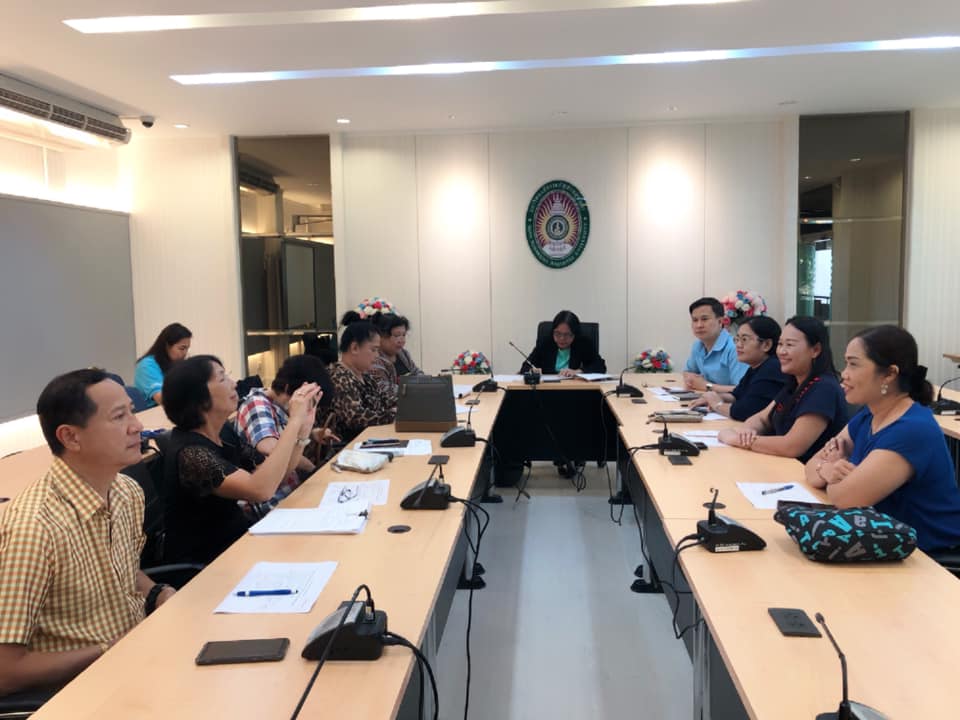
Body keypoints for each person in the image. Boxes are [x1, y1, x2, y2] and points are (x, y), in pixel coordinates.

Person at [0, 370, 175, 697]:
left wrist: (157, 593)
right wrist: (108, 649)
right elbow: (5, 672)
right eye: (119, 416)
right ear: (71, 438)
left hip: (139, 660)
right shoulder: (33, 530)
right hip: (83, 691)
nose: (137, 425)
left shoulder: (126, 491)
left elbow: (123, 570)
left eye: (132, 411)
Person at [805, 326, 960, 554]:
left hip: (929, 554)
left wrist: (829, 472)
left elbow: (845, 499)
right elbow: (811, 467)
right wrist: (827, 469)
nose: (844, 374)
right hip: (883, 541)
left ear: (889, 374)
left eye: (854, 364)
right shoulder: (869, 414)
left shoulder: (912, 429)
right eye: (846, 363)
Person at [161, 356, 320, 565]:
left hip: (237, 545)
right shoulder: (191, 454)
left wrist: (302, 432)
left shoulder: (223, 434)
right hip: (208, 565)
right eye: (222, 379)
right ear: (199, 398)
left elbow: (276, 477)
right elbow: (260, 490)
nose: (234, 383)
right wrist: (294, 421)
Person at [718, 316, 847, 463]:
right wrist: (746, 432)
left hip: (802, 472)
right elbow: (762, 419)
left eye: (789, 345)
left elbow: (792, 446)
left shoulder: (824, 388)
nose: (781, 351)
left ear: (815, 350)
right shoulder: (795, 382)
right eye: (780, 344)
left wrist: (737, 440)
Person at [236, 354, 339, 479]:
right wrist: (311, 468)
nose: (309, 408)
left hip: (292, 482)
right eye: (309, 401)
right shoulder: (256, 405)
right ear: (287, 388)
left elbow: (283, 433)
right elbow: (273, 449)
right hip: (279, 489)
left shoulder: (278, 405)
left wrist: (312, 433)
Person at [691, 316, 787, 420]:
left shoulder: (772, 368)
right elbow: (737, 395)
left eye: (744, 339)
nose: (738, 345)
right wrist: (714, 397)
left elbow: (744, 411)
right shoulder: (756, 366)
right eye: (737, 339)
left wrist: (717, 405)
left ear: (766, 345)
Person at [321, 314, 397, 444]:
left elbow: (386, 400)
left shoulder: (366, 377)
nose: (377, 355)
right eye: (374, 350)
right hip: (346, 447)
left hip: (370, 440)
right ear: (355, 348)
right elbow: (356, 417)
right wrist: (393, 415)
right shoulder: (337, 376)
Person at [682, 297, 748, 392]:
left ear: (720, 321)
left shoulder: (735, 348)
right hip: (705, 397)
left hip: (729, 400)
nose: (699, 325)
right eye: (695, 320)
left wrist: (706, 386)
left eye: (704, 319)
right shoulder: (698, 345)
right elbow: (688, 372)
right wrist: (691, 379)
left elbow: (742, 389)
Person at [520, 310, 606, 376]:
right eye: (557, 333)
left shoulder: (583, 343)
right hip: (547, 390)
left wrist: (579, 371)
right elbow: (525, 366)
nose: (562, 338)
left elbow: (600, 366)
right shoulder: (545, 343)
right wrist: (531, 370)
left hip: (575, 390)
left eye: (567, 334)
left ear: (575, 334)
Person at [134, 323, 192, 407]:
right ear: (167, 346)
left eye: (187, 349)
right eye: (182, 348)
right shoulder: (146, 365)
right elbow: (163, 399)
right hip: (152, 412)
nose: (185, 353)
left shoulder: (175, 364)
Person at [369, 313, 423, 402]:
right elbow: (385, 391)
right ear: (381, 336)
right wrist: (415, 388)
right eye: (397, 336)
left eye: (404, 335)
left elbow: (417, 372)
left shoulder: (403, 353)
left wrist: (425, 384)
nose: (402, 341)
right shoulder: (374, 360)